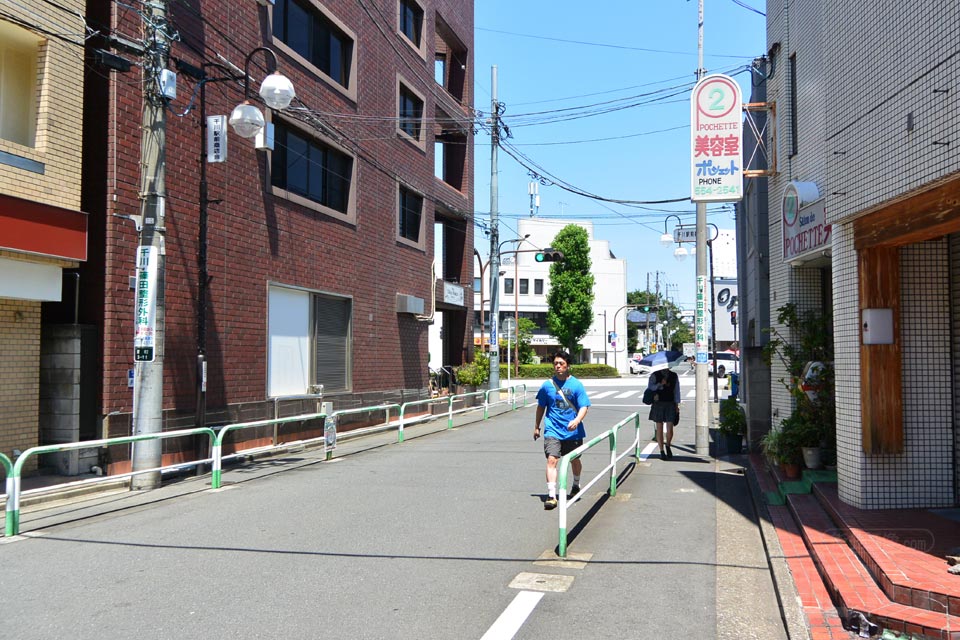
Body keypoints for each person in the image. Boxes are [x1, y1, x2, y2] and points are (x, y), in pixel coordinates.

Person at [534, 350, 591, 510]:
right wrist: (537, 426)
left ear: (568, 366)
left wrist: (577, 420)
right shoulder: (547, 386)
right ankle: (552, 496)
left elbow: (584, 406)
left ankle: (576, 484)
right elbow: (541, 407)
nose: (558, 366)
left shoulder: (576, 385)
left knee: (574, 460)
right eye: (556, 364)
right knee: (552, 460)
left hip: (572, 431)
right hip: (552, 429)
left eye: (561, 364)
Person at [647, 368, 681, 460]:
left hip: (670, 403)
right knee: (659, 427)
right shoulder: (655, 375)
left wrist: (677, 405)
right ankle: (662, 450)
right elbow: (650, 387)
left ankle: (668, 445)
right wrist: (660, 384)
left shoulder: (673, 375)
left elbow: (676, 391)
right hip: (658, 403)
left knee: (670, 428)